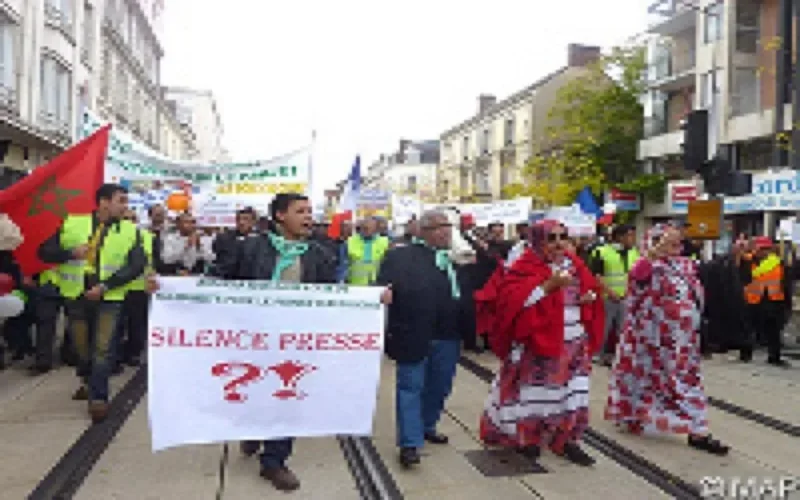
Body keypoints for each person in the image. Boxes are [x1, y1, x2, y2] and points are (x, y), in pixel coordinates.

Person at [220, 193, 336, 492]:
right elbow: (219, 279)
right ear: (280, 216)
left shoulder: (318, 253)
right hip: (254, 336)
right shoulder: (251, 248)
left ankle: (274, 461)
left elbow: (334, 295)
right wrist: (171, 288)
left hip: (294, 340)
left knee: (287, 394)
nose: (309, 217)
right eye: (301, 211)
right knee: (256, 388)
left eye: (310, 211)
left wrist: (373, 300)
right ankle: (253, 428)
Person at [480, 220, 604, 466]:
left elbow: (588, 292)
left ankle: (568, 441)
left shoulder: (576, 264)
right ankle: (530, 440)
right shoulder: (524, 266)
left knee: (573, 396)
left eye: (563, 236)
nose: (559, 243)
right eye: (552, 238)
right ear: (538, 241)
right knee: (536, 396)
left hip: (574, 345)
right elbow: (512, 304)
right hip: (539, 343)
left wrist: (588, 298)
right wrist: (548, 287)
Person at [605, 224, 729, 455]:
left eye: (677, 243)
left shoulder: (685, 265)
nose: (675, 247)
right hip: (650, 342)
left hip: (683, 342)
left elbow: (703, 283)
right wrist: (655, 253)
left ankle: (697, 430)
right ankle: (636, 416)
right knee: (644, 381)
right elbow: (637, 276)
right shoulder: (648, 265)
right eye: (669, 242)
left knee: (685, 383)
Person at [37, 183, 145, 423]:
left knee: (103, 348)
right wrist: (69, 253)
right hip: (76, 297)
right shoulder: (72, 223)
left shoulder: (130, 231)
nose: (125, 206)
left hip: (110, 298)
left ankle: (99, 398)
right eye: (121, 200)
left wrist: (105, 286)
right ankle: (87, 379)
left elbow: (136, 265)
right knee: (82, 349)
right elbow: (43, 252)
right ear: (104, 202)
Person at [376, 210, 465, 468]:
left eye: (448, 226)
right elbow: (382, 286)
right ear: (422, 231)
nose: (445, 231)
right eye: (439, 227)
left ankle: (428, 425)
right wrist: (383, 294)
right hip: (412, 333)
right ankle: (409, 443)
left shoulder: (457, 256)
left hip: (448, 334)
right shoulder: (400, 256)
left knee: (439, 386)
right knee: (410, 388)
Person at [738, 236, 791, 367]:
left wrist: (786, 302)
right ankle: (745, 354)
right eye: (761, 249)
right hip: (753, 300)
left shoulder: (778, 263)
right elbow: (743, 278)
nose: (763, 252)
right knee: (748, 329)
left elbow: (785, 283)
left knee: (773, 330)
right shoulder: (748, 262)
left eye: (766, 249)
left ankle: (774, 357)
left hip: (773, 300)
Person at [590, 224, 639, 365]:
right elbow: (596, 276)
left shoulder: (633, 252)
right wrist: (609, 292)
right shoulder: (601, 252)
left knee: (623, 329)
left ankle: (621, 355)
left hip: (626, 297)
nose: (632, 239)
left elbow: (634, 274)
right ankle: (597, 354)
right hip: (606, 298)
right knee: (603, 328)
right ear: (619, 237)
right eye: (630, 235)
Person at [343, 217, 390, 285]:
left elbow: (389, 265)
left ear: (376, 229)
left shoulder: (385, 242)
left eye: (368, 228)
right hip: (354, 285)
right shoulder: (349, 241)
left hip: (377, 286)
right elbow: (343, 265)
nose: (365, 230)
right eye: (364, 228)